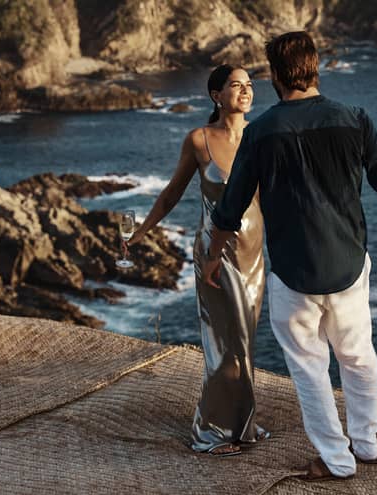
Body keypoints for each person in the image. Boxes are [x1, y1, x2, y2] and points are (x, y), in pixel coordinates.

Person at [203, 32, 377, 480]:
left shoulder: (260, 132)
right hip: (348, 266)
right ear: (315, 67)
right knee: (358, 355)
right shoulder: (354, 119)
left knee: (310, 369)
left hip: (294, 273)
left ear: (275, 75)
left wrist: (214, 256)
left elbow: (230, 207)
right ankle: (367, 444)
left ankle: (336, 460)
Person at [128, 64, 268, 457]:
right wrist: (141, 232)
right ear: (215, 95)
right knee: (224, 343)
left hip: (255, 255)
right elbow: (171, 194)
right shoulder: (199, 140)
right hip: (215, 254)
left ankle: (242, 424)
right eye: (235, 85)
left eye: (249, 85)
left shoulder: (262, 137)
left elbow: (277, 198)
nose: (244, 91)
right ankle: (213, 430)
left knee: (245, 343)